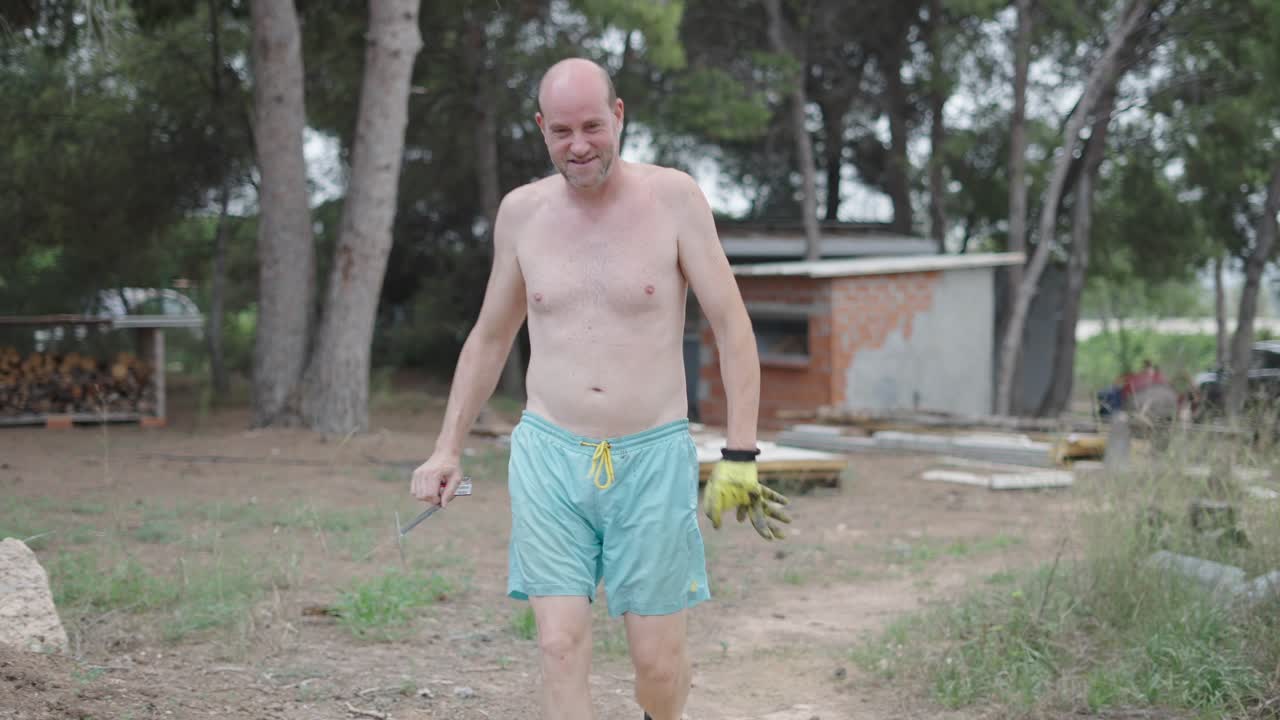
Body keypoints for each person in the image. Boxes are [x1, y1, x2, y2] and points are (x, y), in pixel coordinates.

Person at [410, 57, 791, 720]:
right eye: (561, 131)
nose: (578, 144)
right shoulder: (521, 213)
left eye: (592, 124)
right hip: (549, 454)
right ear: (541, 130)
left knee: (657, 663)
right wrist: (446, 448)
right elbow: (491, 337)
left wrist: (739, 454)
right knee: (558, 644)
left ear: (619, 116)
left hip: (651, 456)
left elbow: (731, 326)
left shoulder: (674, 199)